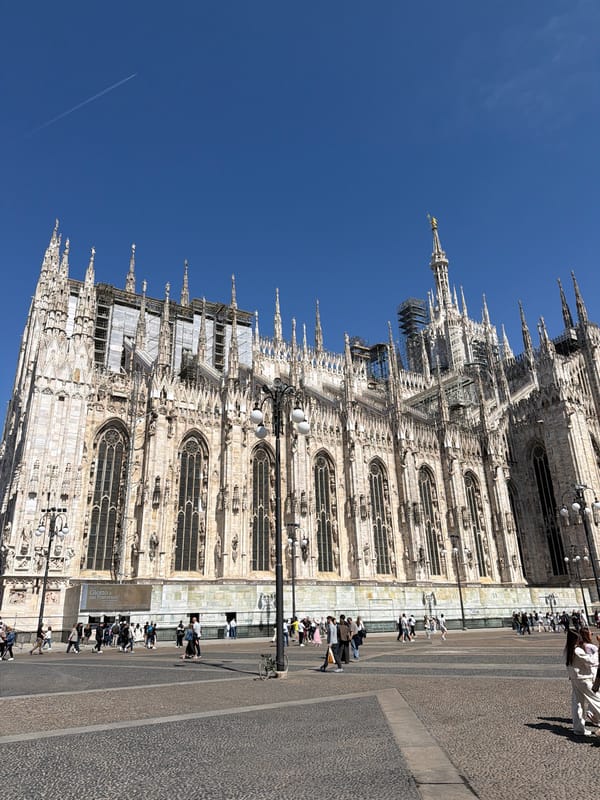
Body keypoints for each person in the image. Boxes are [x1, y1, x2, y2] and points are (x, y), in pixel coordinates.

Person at [565, 628, 600, 736]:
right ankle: (580, 728)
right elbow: (592, 661)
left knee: (578, 704)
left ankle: (579, 729)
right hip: (584, 679)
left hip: (575, 679)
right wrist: (598, 651)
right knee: (597, 700)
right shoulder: (577, 650)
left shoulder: (568, 650)